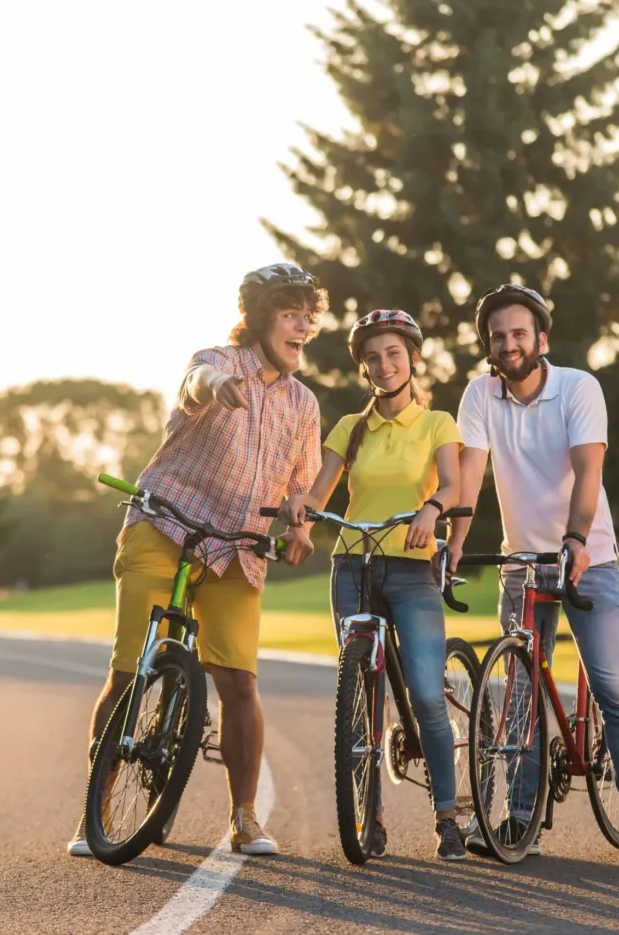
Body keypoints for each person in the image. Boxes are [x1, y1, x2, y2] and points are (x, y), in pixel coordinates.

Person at [68, 263, 324, 857]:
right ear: (261, 318)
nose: (304, 325)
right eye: (291, 314)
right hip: (165, 525)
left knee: (238, 682)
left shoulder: (303, 405)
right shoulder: (216, 360)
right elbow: (195, 382)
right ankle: (95, 812)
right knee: (129, 670)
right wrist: (215, 387)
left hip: (237, 549)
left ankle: (243, 819)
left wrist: (300, 526)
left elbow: (299, 488)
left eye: (309, 315)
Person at [447, 283, 619, 861]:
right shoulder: (479, 395)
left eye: (519, 333)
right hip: (522, 561)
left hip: (585, 555)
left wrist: (576, 539)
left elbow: (588, 471)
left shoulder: (578, 387)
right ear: (489, 346)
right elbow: (470, 476)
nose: (509, 344)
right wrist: (454, 543)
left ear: (540, 339)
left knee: (612, 685)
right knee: (519, 690)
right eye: (498, 336)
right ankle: (518, 816)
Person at [283, 309, 467, 861]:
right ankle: (372, 817)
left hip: (412, 570)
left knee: (428, 696)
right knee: (361, 696)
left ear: (412, 358)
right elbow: (319, 492)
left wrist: (432, 509)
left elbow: (455, 485)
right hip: (353, 567)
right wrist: (302, 512)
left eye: (393, 354)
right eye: (372, 357)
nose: (383, 365)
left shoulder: (437, 423)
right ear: (363, 367)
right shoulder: (348, 428)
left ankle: (448, 818)